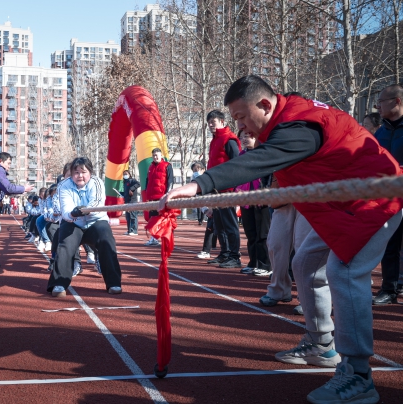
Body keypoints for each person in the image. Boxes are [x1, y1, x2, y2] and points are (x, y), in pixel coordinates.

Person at [159, 75, 403, 404]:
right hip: (338, 207)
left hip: (374, 203)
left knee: (343, 273)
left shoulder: (298, 127)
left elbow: (258, 161)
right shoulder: (285, 122)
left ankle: (358, 375)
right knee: (303, 264)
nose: (241, 127)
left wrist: (200, 184)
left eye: (242, 117)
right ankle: (320, 345)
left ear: (264, 105)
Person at [47, 157, 121, 297]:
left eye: (83, 172)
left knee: (107, 240)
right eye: (76, 172)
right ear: (71, 173)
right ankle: (59, 283)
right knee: (64, 245)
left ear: (90, 173)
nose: (80, 175)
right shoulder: (64, 185)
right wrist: (73, 213)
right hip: (73, 222)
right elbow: (66, 210)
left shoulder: (97, 182)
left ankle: (113, 282)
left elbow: (97, 204)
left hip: (96, 221)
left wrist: (85, 209)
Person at [372, 84, 403, 305]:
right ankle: (389, 288)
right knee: (389, 243)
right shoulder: (381, 131)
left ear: (397, 101)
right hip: (388, 197)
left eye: (381, 101)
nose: (378, 106)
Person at [205, 110, 242, 268]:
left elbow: (237, 164)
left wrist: (236, 189)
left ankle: (235, 256)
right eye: (209, 123)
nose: (211, 125)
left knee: (230, 224)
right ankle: (225, 253)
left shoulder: (229, 139)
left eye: (213, 122)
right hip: (216, 190)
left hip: (227, 190)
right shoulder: (214, 141)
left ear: (222, 121)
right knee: (218, 224)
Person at [235, 131, 272, 276]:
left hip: (262, 198)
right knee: (250, 233)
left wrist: (265, 191)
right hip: (245, 199)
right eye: (242, 136)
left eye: (248, 136)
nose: (244, 139)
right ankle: (253, 262)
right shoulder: (241, 155)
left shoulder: (264, 152)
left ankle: (266, 265)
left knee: (263, 233)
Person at [144, 148, 173, 246]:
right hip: (152, 197)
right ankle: (154, 238)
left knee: (163, 218)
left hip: (162, 197)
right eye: (153, 155)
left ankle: (167, 239)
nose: (155, 157)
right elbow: (147, 182)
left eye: (157, 155)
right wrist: (146, 195)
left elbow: (170, 181)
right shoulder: (150, 167)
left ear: (161, 155)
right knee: (153, 218)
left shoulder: (167, 166)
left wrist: (167, 195)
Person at [122, 170, 140, 236]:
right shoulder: (125, 182)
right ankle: (129, 230)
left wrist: (131, 189)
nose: (125, 175)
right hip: (127, 202)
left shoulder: (132, 180)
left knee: (133, 216)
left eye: (126, 174)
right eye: (124, 174)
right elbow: (125, 193)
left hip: (133, 201)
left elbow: (138, 184)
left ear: (129, 174)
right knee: (128, 217)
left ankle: (134, 231)